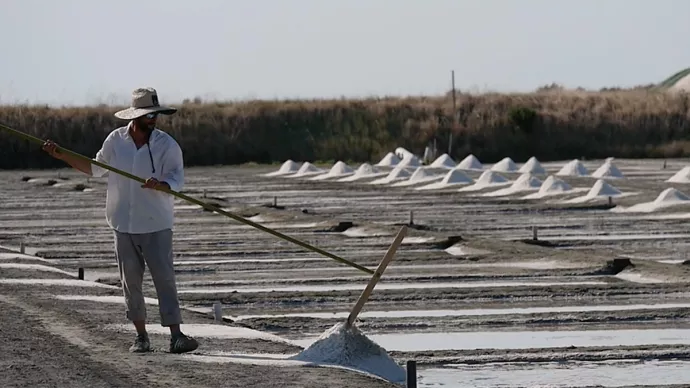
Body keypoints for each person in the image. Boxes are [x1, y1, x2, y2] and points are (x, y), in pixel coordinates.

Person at [42, 87, 199, 354]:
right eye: (148, 115)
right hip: (123, 225)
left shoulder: (167, 145)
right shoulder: (115, 141)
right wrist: (61, 155)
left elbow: (176, 179)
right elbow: (94, 168)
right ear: (135, 116)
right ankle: (141, 337)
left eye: (155, 115)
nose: (153, 120)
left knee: (165, 280)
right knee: (130, 284)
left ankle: (176, 336)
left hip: (156, 225)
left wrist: (161, 185)